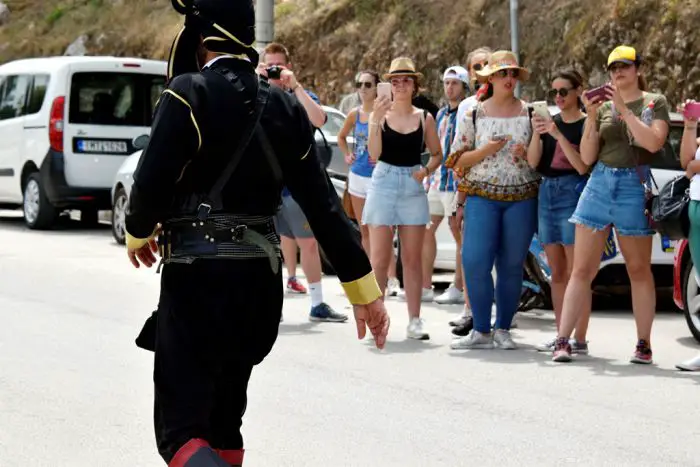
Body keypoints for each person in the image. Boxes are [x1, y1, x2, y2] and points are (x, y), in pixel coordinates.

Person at [124, 1, 390, 465]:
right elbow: (324, 206)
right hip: (259, 287)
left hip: (197, 280)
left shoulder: (189, 93)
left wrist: (137, 232)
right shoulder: (285, 105)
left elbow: (149, 184)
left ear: (201, 38)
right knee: (225, 424)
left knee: (181, 432)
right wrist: (363, 290)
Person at [552, 45, 670, 364]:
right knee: (582, 269)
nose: (619, 72)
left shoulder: (653, 102)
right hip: (601, 181)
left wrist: (625, 110)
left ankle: (643, 344)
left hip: (634, 183)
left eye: (625, 66)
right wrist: (591, 116)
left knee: (638, 269)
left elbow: (653, 142)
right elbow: (588, 157)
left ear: (637, 69)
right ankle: (563, 339)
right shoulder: (602, 108)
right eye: (613, 67)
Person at [445, 50, 539, 350]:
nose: (509, 79)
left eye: (512, 73)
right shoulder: (473, 112)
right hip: (481, 196)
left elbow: (540, 160)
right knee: (474, 261)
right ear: (490, 78)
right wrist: (487, 149)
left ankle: (503, 329)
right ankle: (481, 329)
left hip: (522, 196)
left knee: (512, 265)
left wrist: (527, 153)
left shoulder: (532, 113)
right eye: (502, 73)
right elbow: (458, 161)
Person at [257, 42, 348, 323]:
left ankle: (318, 303)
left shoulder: (300, 95)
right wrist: (255, 79)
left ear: (289, 67)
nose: (274, 71)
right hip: (264, 185)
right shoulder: (254, 94)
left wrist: (294, 87)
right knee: (269, 247)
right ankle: (272, 306)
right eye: (269, 65)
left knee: (308, 243)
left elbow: (319, 119)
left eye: (279, 66)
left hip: (297, 187)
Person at [364, 57, 442, 340]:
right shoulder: (379, 115)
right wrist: (374, 119)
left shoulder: (424, 117)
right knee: (380, 258)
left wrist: (426, 170)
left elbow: (437, 153)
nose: (400, 85)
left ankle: (415, 320)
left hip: (412, 183)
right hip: (383, 181)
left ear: (415, 85)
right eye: (395, 81)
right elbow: (374, 154)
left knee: (411, 258)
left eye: (406, 80)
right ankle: (377, 318)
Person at [526, 69, 591, 354]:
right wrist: (538, 133)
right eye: (555, 93)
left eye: (564, 91)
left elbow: (582, 166)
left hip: (572, 191)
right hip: (547, 192)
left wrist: (557, 134)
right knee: (557, 272)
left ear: (578, 91)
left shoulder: (586, 124)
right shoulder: (550, 123)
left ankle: (579, 338)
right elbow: (533, 162)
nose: (559, 97)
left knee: (578, 272)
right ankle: (560, 333)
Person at [422, 66, 470, 305]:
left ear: (464, 87)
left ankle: (459, 286)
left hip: (455, 184)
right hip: (437, 181)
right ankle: (425, 285)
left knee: (458, 235)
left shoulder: (468, 111)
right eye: (446, 83)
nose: (449, 88)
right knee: (426, 231)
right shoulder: (440, 114)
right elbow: (436, 149)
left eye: (455, 83)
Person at [337, 70, 381, 255]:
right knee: (363, 228)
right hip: (357, 175)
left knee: (379, 228)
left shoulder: (383, 113)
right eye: (359, 84)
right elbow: (341, 137)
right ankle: (370, 274)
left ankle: (388, 276)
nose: (363, 88)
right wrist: (347, 155)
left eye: (368, 84)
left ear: (377, 88)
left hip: (377, 177)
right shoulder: (355, 114)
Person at [676, 100, 700, 371]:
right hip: (696, 205)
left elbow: (692, 166)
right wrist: (690, 125)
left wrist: (696, 168)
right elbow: (685, 160)